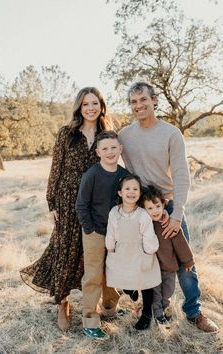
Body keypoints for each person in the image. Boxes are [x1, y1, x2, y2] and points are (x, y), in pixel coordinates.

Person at [118, 81, 219, 333]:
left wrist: (176, 214)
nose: (139, 105)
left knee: (184, 262)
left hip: (168, 206)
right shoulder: (124, 136)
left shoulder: (171, 133)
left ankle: (194, 311)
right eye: (133, 102)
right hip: (140, 210)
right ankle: (153, 310)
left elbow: (182, 176)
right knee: (146, 261)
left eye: (143, 100)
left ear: (155, 101)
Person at [20, 87, 110, 331]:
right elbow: (55, 169)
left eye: (94, 103)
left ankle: (97, 301)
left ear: (101, 106)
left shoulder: (107, 135)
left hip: (96, 202)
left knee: (91, 252)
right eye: (85, 104)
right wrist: (51, 203)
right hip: (68, 199)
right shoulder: (67, 133)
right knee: (64, 249)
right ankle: (63, 301)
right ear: (79, 108)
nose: (90, 108)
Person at [75, 131, 130, 339]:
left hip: (116, 233)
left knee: (112, 273)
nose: (110, 152)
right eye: (105, 148)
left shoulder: (123, 175)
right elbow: (81, 205)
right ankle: (90, 319)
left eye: (113, 148)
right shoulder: (92, 175)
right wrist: (90, 229)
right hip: (95, 233)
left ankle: (110, 309)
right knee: (93, 276)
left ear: (120, 149)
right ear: (98, 152)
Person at [105, 175, 161, 331]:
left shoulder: (143, 214)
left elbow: (148, 235)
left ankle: (146, 315)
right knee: (122, 277)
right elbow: (111, 232)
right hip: (121, 252)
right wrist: (110, 247)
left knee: (146, 282)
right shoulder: (114, 212)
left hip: (140, 251)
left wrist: (149, 251)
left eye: (135, 189)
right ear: (120, 192)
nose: (131, 192)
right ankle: (130, 290)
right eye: (127, 189)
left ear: (140, 192)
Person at [142, 185, 194, 326]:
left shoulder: (167, 222)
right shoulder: (145, 224)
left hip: (169, 266)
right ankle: (158, 316)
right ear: (144, 210)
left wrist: (188, 261)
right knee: (156, 294)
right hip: (153, 268)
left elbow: (180, 243)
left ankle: (162, 309)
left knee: (168, 292)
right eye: (150, 208)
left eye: (157, 206)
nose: (155, 211)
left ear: (163, 204)